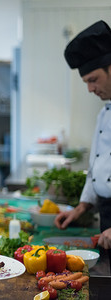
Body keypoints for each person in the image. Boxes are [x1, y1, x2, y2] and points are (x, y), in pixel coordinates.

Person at [55, 20, 111, 252]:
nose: (89, 89)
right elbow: (98, 163)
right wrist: (81, 207)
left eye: (93, 79)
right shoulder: (104, 114)